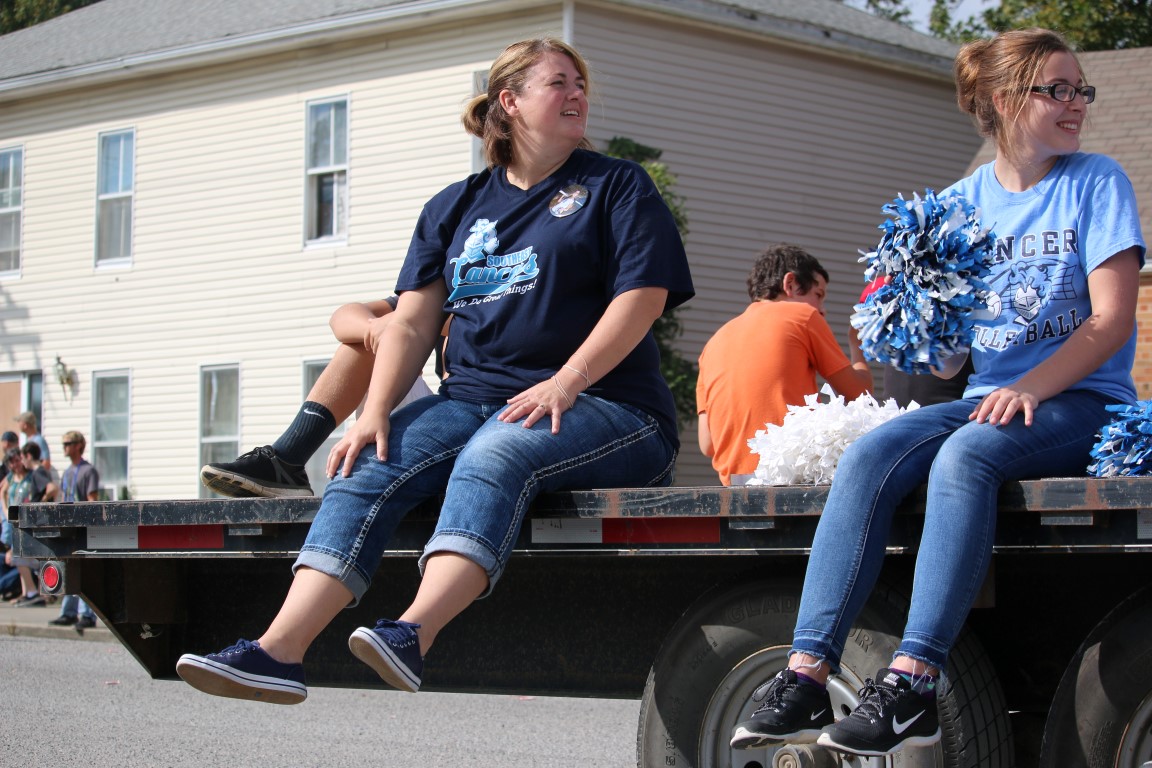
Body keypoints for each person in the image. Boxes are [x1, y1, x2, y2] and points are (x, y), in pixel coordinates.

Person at [176, 37, 693, 705]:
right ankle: (277, 652)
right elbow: (414, 324)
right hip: (472, 400)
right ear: (510, 101)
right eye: (558, 83)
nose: (577, 95)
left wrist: (567, 380)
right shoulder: (454, 206)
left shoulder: (616, 185)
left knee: (497, 451)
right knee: (365, 464)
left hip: (612, 407)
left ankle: (411, 633)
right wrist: (373, 413)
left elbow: (642, 298)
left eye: (580, 84)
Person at [731, 27, 1145, 758]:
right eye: (1057, 89)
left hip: (1080, 401)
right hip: (987, 398)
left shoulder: (1095, 181)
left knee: (966, 456)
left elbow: (1111, 321)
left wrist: (1028, 386)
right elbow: (950, 354)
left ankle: (914, 683)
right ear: (1003, 100)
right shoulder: (957, 203)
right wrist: (910, 323)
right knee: (869, 456)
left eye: (1081, 88)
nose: (1077, 102)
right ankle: (806, 671)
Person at [199, 296, 438, 498]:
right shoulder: (434, 289)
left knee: (388, 337)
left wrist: (401, 334)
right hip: (425, 424)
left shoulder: (451, 303)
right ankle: (286, 461)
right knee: (369, 343)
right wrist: (380, 333)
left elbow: (434, 321)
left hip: (455, 429)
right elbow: (341, 318)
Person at [696, 244, 872, 485]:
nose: (822, 309)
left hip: (736, 487)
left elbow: (707, 444)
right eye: (818, 295)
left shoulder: (712, 345)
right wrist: (858, 345)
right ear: (790, 284)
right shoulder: (803, 316)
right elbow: (860, 394)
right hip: (793, 480)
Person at [49, 431, 100, 630]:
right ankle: (68, 612)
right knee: (69, 570)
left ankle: (87, 614)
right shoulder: (67, 472)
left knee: (85, 572)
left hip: (84, 529)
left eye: (68, 443)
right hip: (69, 528)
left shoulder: (88, 471)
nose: (64, 448)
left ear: (79, 445)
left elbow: (92, 500)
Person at [1, 443, 58, 606]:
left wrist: (41, 502)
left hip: (29, 521)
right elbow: (3, 491)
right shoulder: (11, 477)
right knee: (20, 555)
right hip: (16, 520)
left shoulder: (34, 474)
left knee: (22, 556)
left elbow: (52, 489)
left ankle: (36, 592)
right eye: (12, 462)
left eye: (18, 459)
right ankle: (29, 592)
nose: (16, 464)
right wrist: (5, 510)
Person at [14, 411, 51, 476]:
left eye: (19, 422)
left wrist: (36, 475)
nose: (18, 424)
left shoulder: (38, 440)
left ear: (25, 425)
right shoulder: (30, 440)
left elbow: (46, 463)